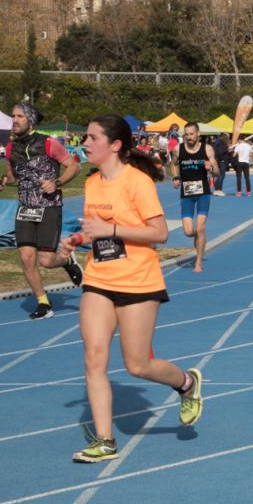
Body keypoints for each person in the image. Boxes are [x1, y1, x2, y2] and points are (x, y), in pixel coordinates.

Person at [58, 114, 202, 462]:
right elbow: (97, 230)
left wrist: (111, 231)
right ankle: (105, 441)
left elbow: (159, 234)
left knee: (137, 365)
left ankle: (187, 384)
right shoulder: (92, 183)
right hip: (99, 279)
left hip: (138, 281)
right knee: (94, 357)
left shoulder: (137, 182)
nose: (85, 143)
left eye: (92, 137)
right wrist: (76, 239)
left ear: (115, 145)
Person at [0, 102, 84, 320]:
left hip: (48, 207)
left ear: (30, 120)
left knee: (46, 260)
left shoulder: (49, 143)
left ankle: (68, 261)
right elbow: (14, 177)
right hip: (25, 208)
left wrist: (57, 182)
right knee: (26, 258)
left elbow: (75, 166)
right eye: (12, 116)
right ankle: (43, 302)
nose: (14, 120)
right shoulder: (10, 148)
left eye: (19, 116)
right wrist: (4, 180)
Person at [170, 122, 218, 273]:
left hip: (203, 192)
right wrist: (176, 177)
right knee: (189, 232)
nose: (189, 137)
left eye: (191, 134)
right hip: (187, 193)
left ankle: (198, 262)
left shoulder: (207, 149)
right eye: (186, 134)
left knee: (200, 227)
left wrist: (210, 167)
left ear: (198, 134)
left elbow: (217, 172)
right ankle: (200, 237)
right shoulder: (179, 149)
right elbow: (173, 164)